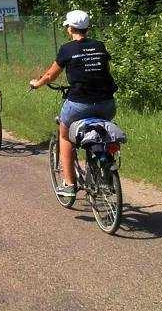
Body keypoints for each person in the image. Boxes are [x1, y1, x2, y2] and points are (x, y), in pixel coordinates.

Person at [29, 10, 117, 197]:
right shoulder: (100, 46)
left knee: (66, 135)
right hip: (107, 103)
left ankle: (69, 184)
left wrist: (37, 84)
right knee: (102, 132)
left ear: (70, 28)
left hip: (79, 104)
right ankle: (106, 170)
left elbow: (51, 75)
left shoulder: (67, 49)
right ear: (87, 28)